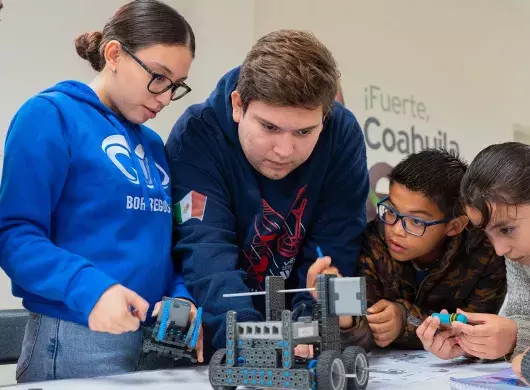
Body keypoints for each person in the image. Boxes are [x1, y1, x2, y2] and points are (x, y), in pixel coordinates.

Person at [0, 0, 201, 383]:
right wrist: (90, 289)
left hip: (157, 342)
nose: (164, 97)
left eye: (175, 86)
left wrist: (181, 295)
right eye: (158, 77)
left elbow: (165, 245)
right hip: (78, 337)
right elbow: (14, 234)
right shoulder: (50, 115)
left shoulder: (154, 146)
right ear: (114, 54)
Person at [165, 29, 369, 354]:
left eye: (304, 131)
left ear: (324, 118)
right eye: (269, 128)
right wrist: (250, 341)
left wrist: (309, 330)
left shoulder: (342, 136)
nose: (284, 150)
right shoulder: (197, 136)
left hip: (299, 331)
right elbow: (205, 248)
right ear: (237, 105)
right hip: (222, 335)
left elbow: (336, 244)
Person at [307, 149, 506, 354]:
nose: (396, 230)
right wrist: (343, 310)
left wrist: (406, 320)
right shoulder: (374, 241)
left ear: (454, 226)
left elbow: (475, 333)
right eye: (392, 211)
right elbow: (362, 332)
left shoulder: (485, 255)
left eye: (417, 221)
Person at [439, 142, 530, 368]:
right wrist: (477, 340)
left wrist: (517, 338)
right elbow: (521, 317)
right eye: (488, 234)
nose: (500, 250)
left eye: (507, 229)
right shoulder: (520, 253)